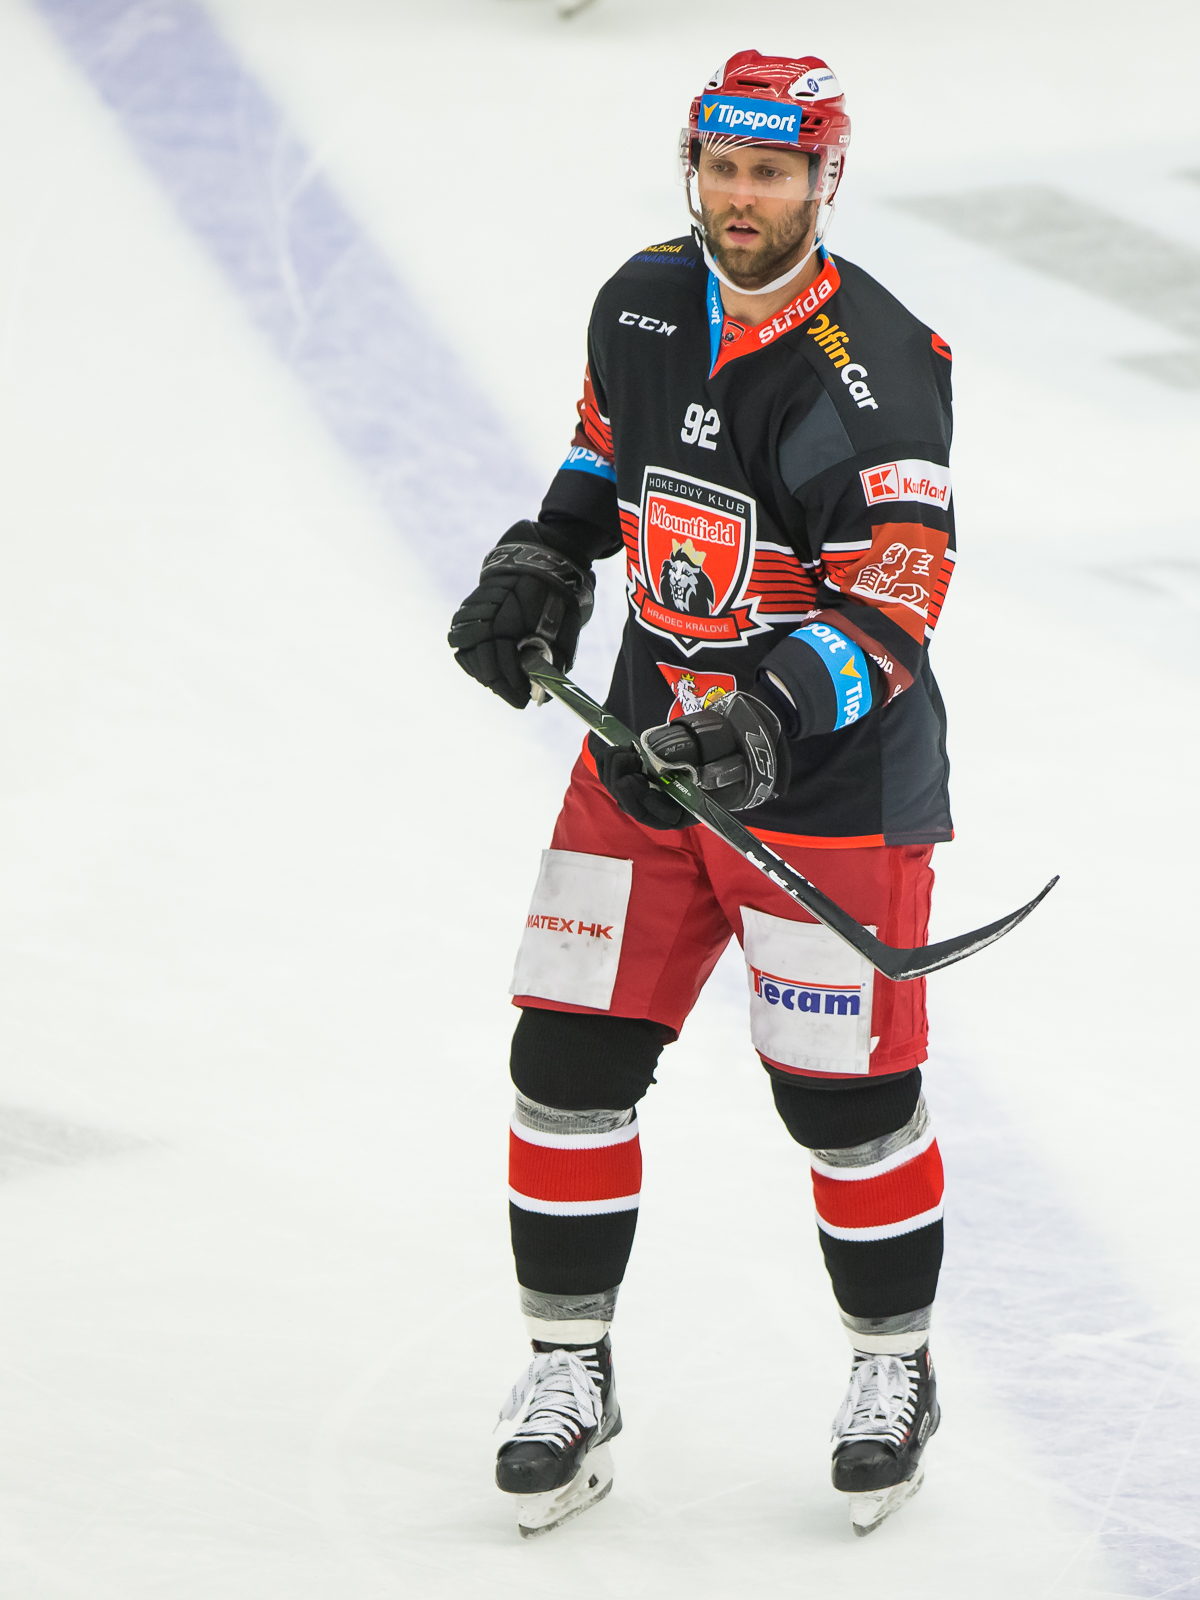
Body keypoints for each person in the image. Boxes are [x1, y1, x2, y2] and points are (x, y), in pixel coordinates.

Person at [449, 50, 955, 1540]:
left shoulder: (876, 366)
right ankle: (569, 1372)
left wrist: (766, 719)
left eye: (773, 173)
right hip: (647, 762)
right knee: (565, 1063)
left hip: (829, 789)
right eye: (724, 169)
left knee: (847, 1106)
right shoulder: (643, 300)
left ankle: (895, 1371)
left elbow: (898, 603)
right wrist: (547, 555)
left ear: (823, 180)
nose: (743, 198)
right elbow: (605, 451)